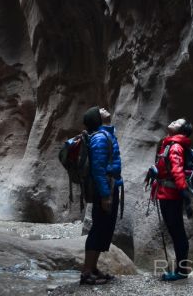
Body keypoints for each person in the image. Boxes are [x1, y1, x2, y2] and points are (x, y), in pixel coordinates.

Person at [81, 106, 123, 285]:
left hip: (109, 185)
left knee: (103, 228)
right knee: (98, 228)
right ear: (97, 119)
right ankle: (86, 272)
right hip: (103, 188)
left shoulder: (105, 135)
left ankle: (93, 268)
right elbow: (98, 170)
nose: (104, 109)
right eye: (100, 110)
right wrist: (106, 195)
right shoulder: (99, 138)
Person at [153, 118, 193, 281]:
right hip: (167, 194)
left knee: (177, 233)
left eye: (177, 122)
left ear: (181, 131)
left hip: (171, 196)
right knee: (177, 232)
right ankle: (181, 269)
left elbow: (177, 171)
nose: (173, 121)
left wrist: (185, 196)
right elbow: (169, 169)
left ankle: (181, 271)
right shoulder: (170, 143)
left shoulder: (175, 146)